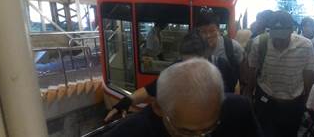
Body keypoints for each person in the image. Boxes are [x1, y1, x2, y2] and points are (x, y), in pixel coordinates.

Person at [104, 58, 262, 137]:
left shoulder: (238, 110)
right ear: (158, 107)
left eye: (209, 128)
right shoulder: (131, 132)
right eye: (186, 132)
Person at [105, 31, 208, 122]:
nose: (189, 69)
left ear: (205, 58)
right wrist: (126, 102)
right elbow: (149, 90)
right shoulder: (175, 70)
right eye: (186, 63)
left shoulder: (219, 70)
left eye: (195, 64)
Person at [244, 10, 314, 137]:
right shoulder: (259, 43)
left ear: (292, 30)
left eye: (283, 37)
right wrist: (249, 95)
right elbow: (252, 70)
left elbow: (308, 76)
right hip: (266, 102)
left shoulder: (305, 46)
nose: (279, 41)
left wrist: (307, 103)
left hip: (293, 105)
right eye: (276, 36)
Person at [196, 9, 244, 92]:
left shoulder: (232, 47)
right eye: (203, 32)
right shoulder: (195, 48)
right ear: (198, 32)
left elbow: (242, 72)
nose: (208, 35)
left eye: (212, 31)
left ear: (218, 30)